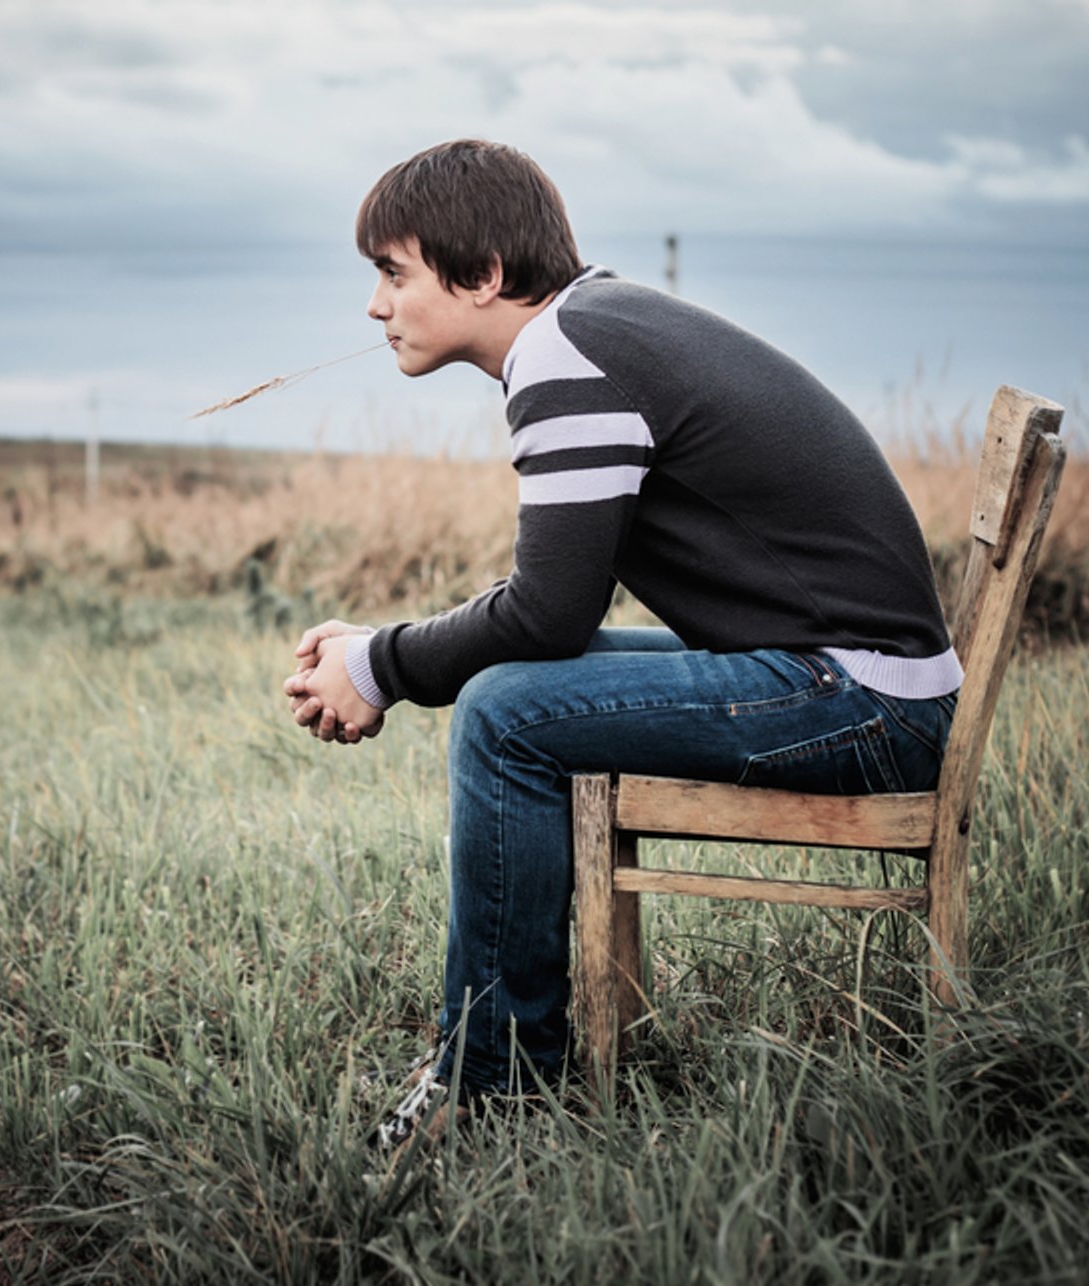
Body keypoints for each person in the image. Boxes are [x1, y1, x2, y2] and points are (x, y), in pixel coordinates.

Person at [283, 139, 960, 1150]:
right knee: (519, 687)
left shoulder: (568, 356)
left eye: (391, 273)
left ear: (482, 276)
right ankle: (498, 1065)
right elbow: (545, 607)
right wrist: (378, 650)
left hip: (862, 703)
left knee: (508, 712)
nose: (374, 306)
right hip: (855, 676)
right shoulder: (594, 326)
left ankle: (492, 1087)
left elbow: (546, 614)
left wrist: (379, 666)